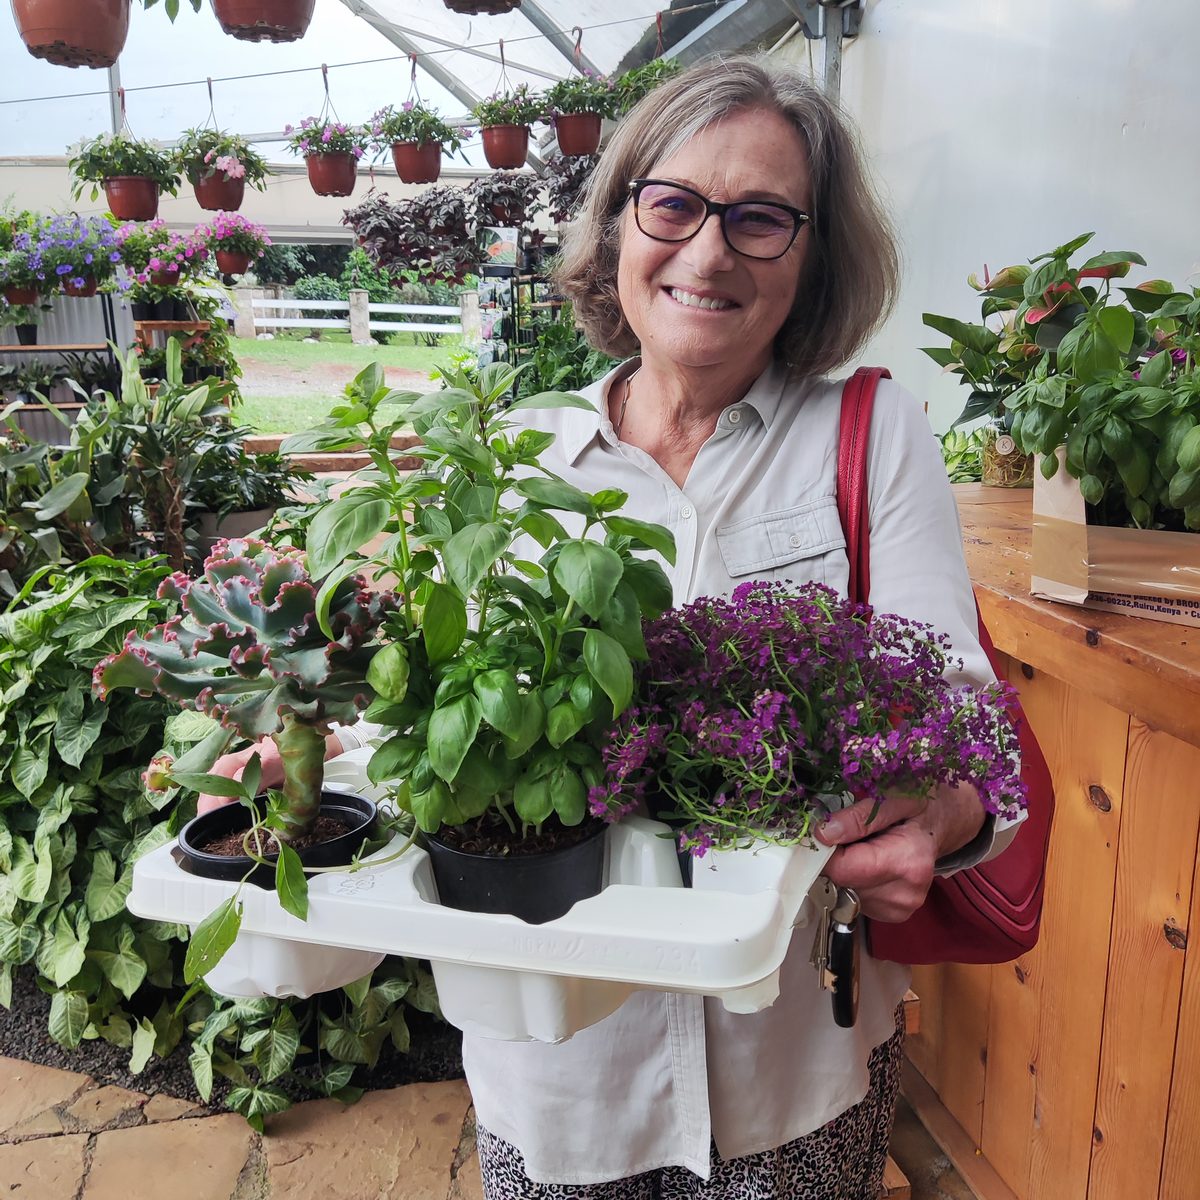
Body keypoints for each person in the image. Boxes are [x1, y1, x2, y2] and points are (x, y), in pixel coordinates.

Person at [202, 56, 1023, 1199]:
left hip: (793, 1073)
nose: (708, 251)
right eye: (675, 204)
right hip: (562, 1078)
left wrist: (939, 811)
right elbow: (428, 738)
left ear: (814, 253)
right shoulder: (518, 463)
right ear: (621, 220)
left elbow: (965, 718)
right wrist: (291, 789)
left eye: (762, 219)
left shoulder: (871, 431)